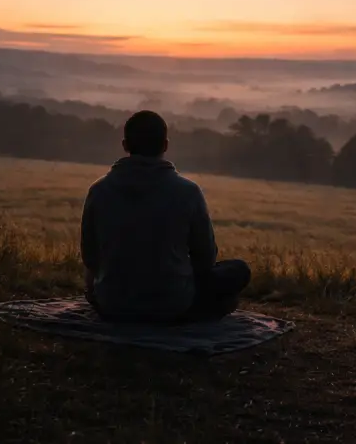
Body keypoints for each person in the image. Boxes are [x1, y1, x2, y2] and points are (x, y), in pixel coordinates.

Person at [81, 110, 251, 323]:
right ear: (165, 145)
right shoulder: (188, 191)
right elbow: (205, 258)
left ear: (125, 145)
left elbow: (90, 257)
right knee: (238, 270)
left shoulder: (99, 189)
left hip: (112, 305)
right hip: (172, 304)